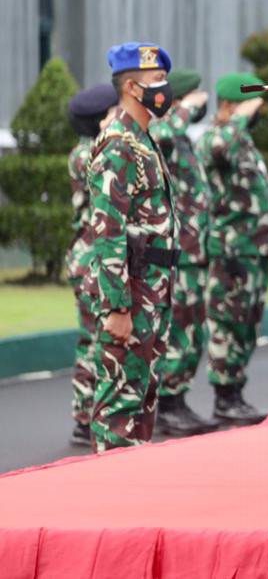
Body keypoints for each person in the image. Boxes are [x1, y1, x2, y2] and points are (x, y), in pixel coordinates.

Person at [85, 42, 179, 451]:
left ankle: (127, 501)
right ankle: (104, 502)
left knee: (141, 402)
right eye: (156, 80)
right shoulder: (120, 143)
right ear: (130, 87)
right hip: (132, 296)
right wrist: (117, 308)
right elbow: (107, 233)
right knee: (118, 409)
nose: (164, 88)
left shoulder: (143, 140)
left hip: (151, 292)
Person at [200, 72, 268, 426]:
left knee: (247, 323)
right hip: (231, 249)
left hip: (254, 248)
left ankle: (236, 393)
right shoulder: (217, 137)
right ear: (232, 105)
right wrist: (241, 117)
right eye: (252, 105)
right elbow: (218, 149)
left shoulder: (243, 141)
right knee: (227, 322)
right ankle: (224, 397)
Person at [149, 68, 218, 436]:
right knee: (181, 328)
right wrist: (184, 110)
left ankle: (179, 398)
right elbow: (161, 131)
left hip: (196, 249)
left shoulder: (184, 140)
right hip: (181, 250)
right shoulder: (164, 131)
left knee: (193, 329)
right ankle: (168, 403)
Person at [64, 82, 118, 447]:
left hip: (84, 254)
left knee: (92, 338)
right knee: (97, 339)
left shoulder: (84, 150)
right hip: (92, 256)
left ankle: (85, 414)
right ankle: (87, 416)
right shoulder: (92, 153)